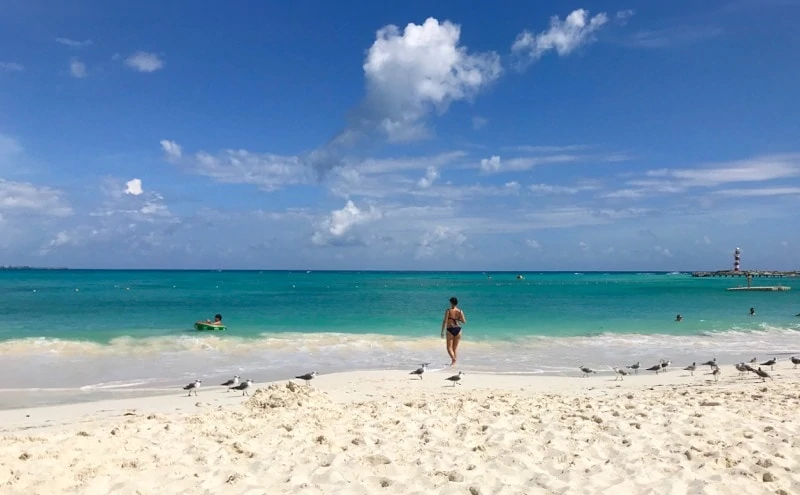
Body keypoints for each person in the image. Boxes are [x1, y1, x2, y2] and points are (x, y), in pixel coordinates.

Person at [441, 297, 466, 367]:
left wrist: (442, 331)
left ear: (451, 303)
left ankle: (454, 359)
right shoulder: (460, 311)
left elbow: (445, 321)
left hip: (450, 329)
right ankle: (453, 363)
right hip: (458, 329)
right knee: (454, 348)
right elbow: (464, 321)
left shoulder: (448, 310)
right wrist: (457, 319)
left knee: (449, 348)